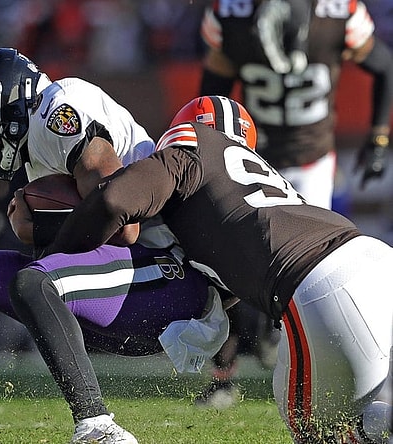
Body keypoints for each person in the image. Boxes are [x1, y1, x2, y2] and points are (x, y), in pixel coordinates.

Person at [0, 47, 230, 444]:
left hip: (168, 279)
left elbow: (124, 224)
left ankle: (97, 426)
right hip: (127, 283)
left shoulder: (60, 114)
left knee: (33, 282)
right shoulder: (36, 141)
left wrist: (41, 226)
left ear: (9, 105)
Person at [43, 95, 393, 443]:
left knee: (319, 433)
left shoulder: (191, 147)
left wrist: (56, 257)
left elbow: (113, 200)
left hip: (323, 286)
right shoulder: (251, 185)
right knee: (351, 419)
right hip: (375, 259)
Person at [196, 0, 393, 407]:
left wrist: (379, 136)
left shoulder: (339, 12)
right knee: (224, 264)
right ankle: (223, 377)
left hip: (310, 162)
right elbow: (213, 91)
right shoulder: (232, 14)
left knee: (305, 273)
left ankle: (292, 357)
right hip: (253, 157)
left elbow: (385, 65)